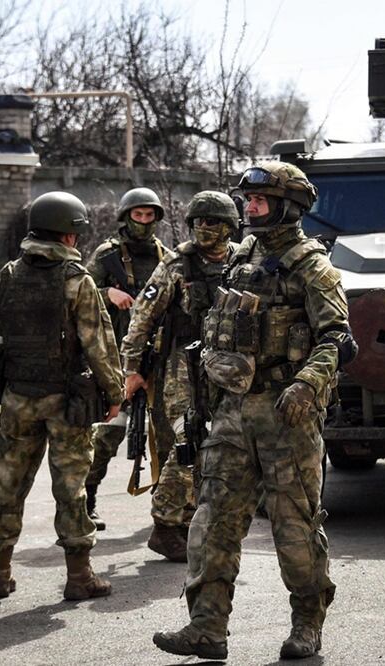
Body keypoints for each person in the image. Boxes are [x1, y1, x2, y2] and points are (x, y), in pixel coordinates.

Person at [153, 162, 357, 661]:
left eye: (260, 201)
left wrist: (309, 383)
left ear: (289, 206)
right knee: (212, 519)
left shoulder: (312, 266)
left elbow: (337, 338)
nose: (250, 208)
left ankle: (307, 623)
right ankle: (206, 628)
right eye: (248, 200)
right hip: (232, 412)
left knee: (294, 526)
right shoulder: (241, 258)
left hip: (287, 414)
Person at [0, 191, 124, 601]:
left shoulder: (9, 273)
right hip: (66, 403)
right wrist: (114, 391)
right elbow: (98, 343)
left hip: (18, 397)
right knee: (71, 488)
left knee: (9, 484)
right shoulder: (77, 281)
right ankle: (79, 578)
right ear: (70, 236)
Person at [121, 191, 241, 562]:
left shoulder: (242, 260)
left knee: (220, 446)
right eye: (198, 222)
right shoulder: (175, 265)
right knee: (188, 443)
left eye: (212, 222)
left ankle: (191, 518)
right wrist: (132, 369)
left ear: (228, 227)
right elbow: (142, 317)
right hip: (181, 368)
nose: (204, 229)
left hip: (227, 367)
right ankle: (164, 523)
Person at [84, 187, 172, 529]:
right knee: (107, 435)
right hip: (115, 360)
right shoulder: (107, 255)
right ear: (126, 216)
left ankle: (166, 507)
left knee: (164, 436)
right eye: (138, 215)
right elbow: (80, 293)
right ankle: (86, 501)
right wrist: (109, 293)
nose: (144, 222)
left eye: (150, 216)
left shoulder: (166, 257)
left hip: (157, 357)